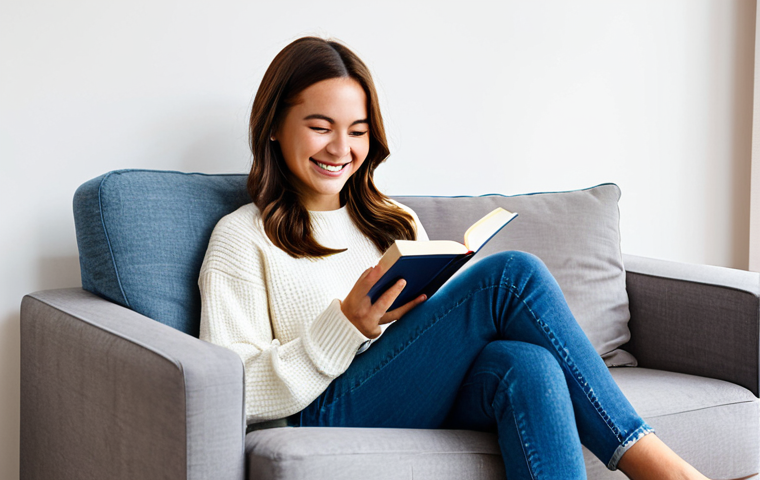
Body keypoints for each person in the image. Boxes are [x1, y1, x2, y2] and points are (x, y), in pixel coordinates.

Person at [198, 36, 710, 479]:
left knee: (526, 364)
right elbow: (234, 391)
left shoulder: (392, 222)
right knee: (511, 275)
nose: (340, 147)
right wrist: (345, 325)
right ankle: (661, 468)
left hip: (410, 392)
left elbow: (429, 341)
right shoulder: (242, 238)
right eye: (319, 126)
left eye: (357, 131)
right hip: (317, 411)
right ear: (273, 126)